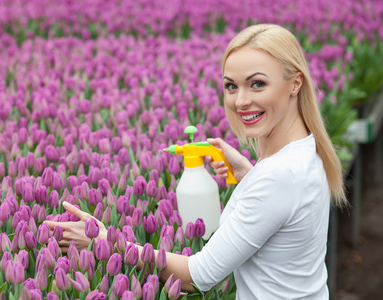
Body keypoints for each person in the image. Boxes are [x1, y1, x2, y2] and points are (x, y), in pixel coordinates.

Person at [44, 24, 347, 299]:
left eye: (257, 84)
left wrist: (105, 241)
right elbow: (284, 210)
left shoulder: (278, 177)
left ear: (295, 84)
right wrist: (249, 174)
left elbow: (197, 277)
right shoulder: (306, 151)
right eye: (232, 86)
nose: (240, 101)